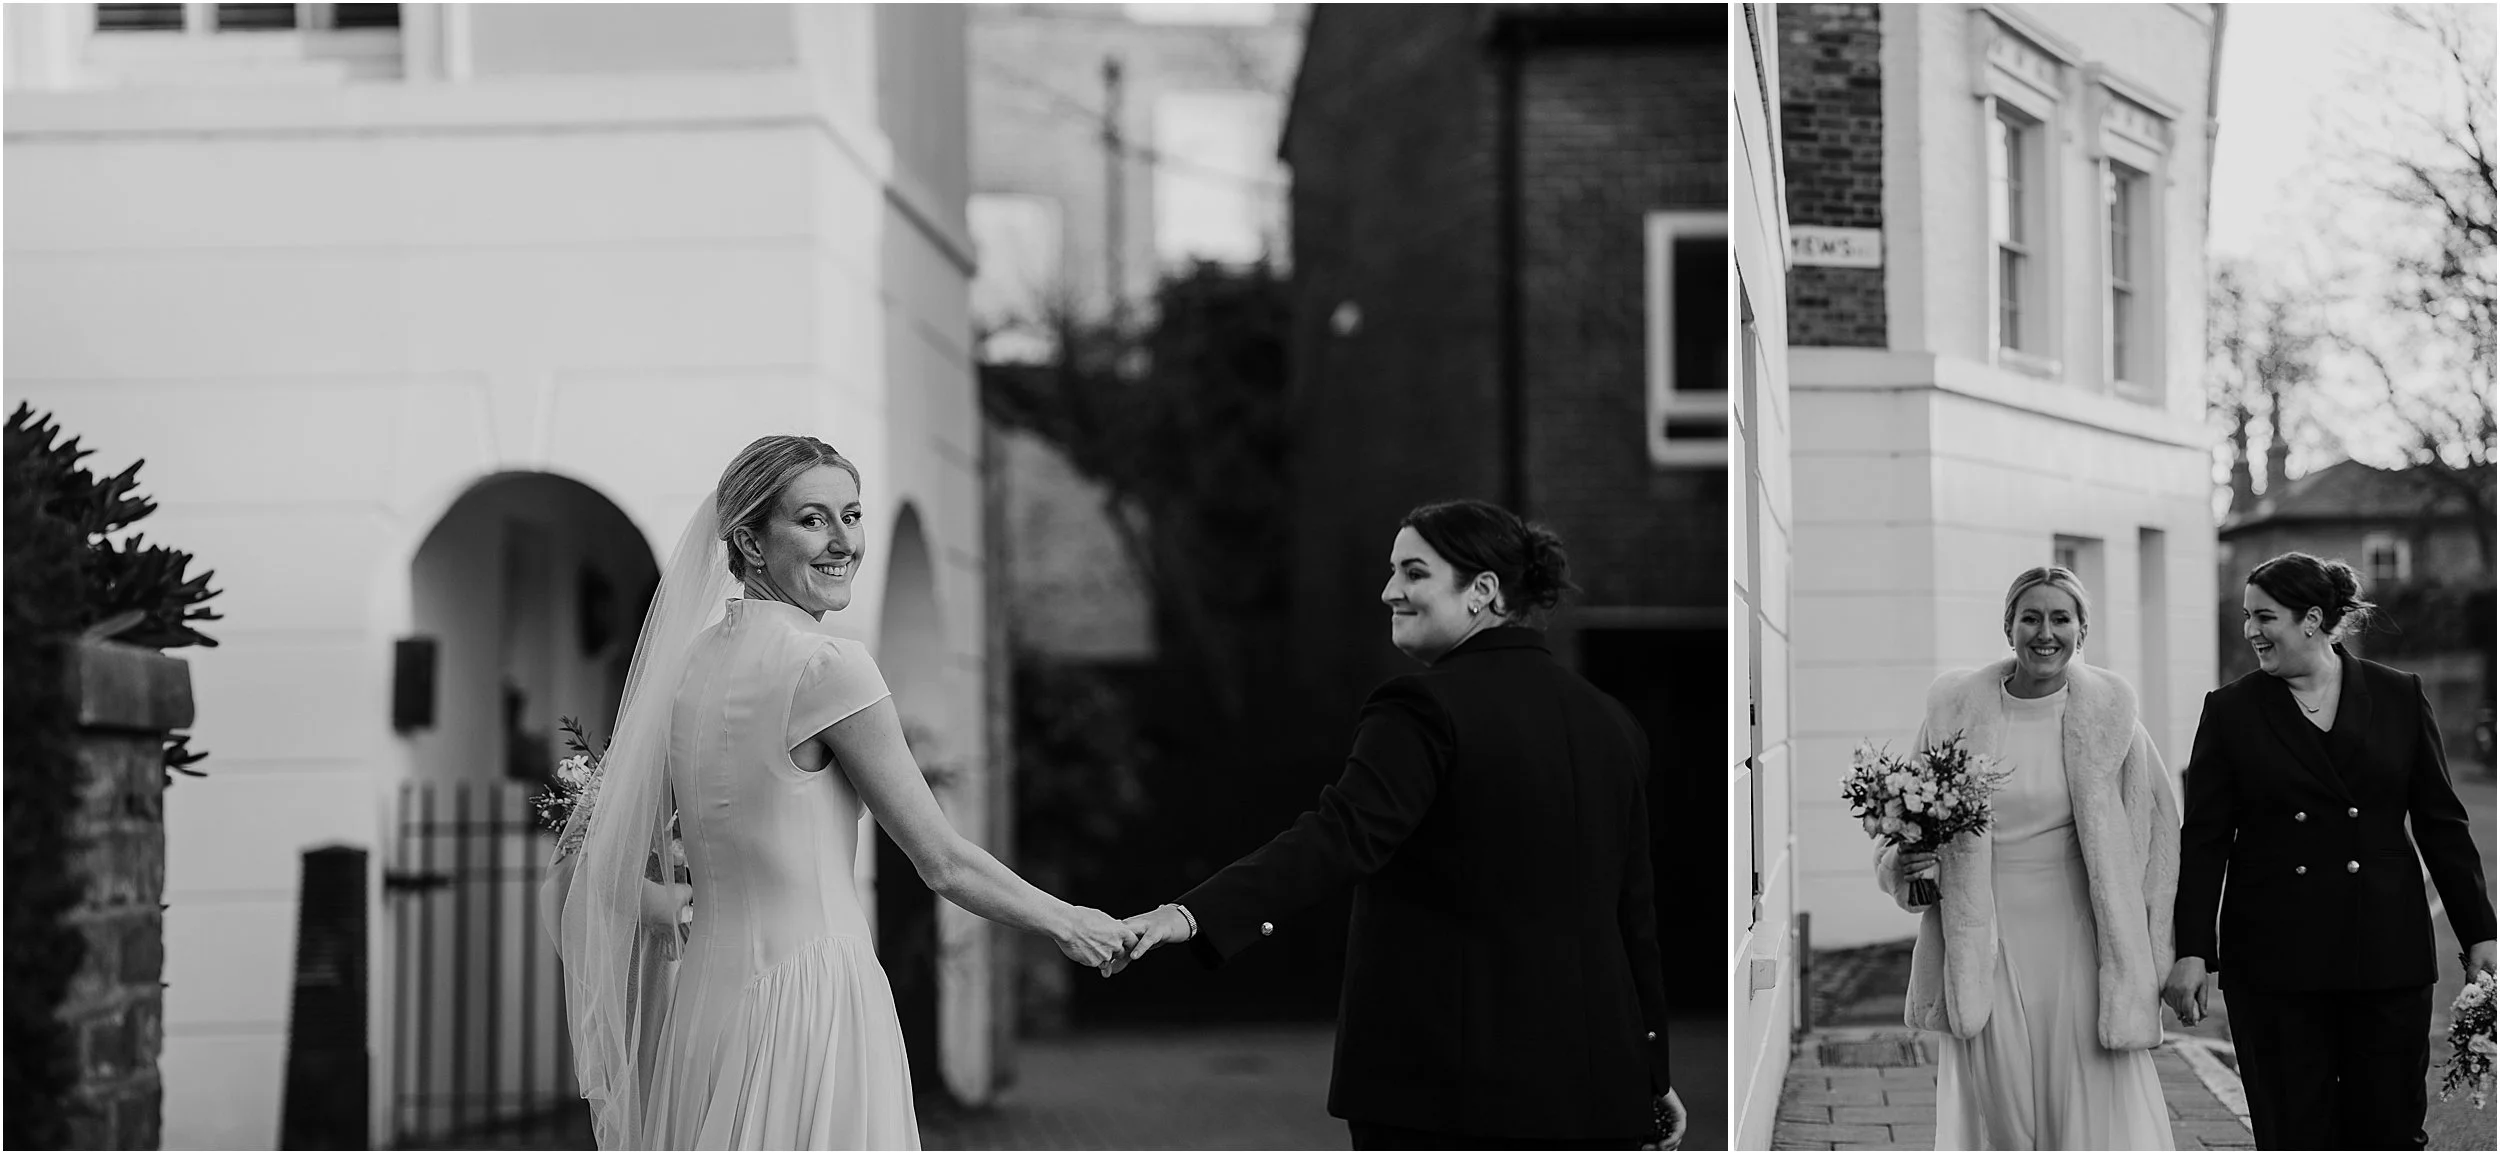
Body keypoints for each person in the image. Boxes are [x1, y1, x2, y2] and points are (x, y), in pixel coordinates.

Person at [544, 435, 1134, 1149]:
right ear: (752, 545)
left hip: (705, 1005)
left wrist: (672, 906)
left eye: (851, 517)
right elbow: (941, 860)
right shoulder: (828, 667)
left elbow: (596, 854)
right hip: (814, 999)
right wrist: (1068, 921)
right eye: (813, 520)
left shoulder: (690, 667)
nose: (842, 542)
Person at [1114, 499, 1685, 1151]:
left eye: (1414, 573)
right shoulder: (1612, 721)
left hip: (1447, 1095)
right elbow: (1635, 916)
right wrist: (1651, 1068)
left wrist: (1190, 915)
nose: (1390, 592)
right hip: (1598, 1090)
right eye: (1393, 572)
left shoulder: (1420, 707)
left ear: (1483, 592)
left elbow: (1338, 836)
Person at [2164, 552, 2497, 1150]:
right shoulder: (2231, 711)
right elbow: (2206, 840)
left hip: (2385, 952)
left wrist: (2480, 934)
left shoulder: (2398, 696)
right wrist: (2193, 950)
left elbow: (2442, 824)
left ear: (2312, 619)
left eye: (2264, 617)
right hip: (2273, 959)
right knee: (2293, 1129)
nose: (2250, 631)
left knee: (2388, 1128)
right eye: (2246, 617)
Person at [1878, 566, 2177, 1149]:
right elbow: (1906, 823)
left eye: (2061, 618)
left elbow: (2161, 842)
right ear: (2009, 626)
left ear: (2082, 630)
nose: (2046, 632)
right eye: (2031, 617)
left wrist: (2166, 952)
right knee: (2002, 1104)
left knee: (2088, 1102)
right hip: (1983, 938)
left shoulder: (2115, 722)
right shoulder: (1954, 715)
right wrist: (1910, 868)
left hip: (2082, 938)